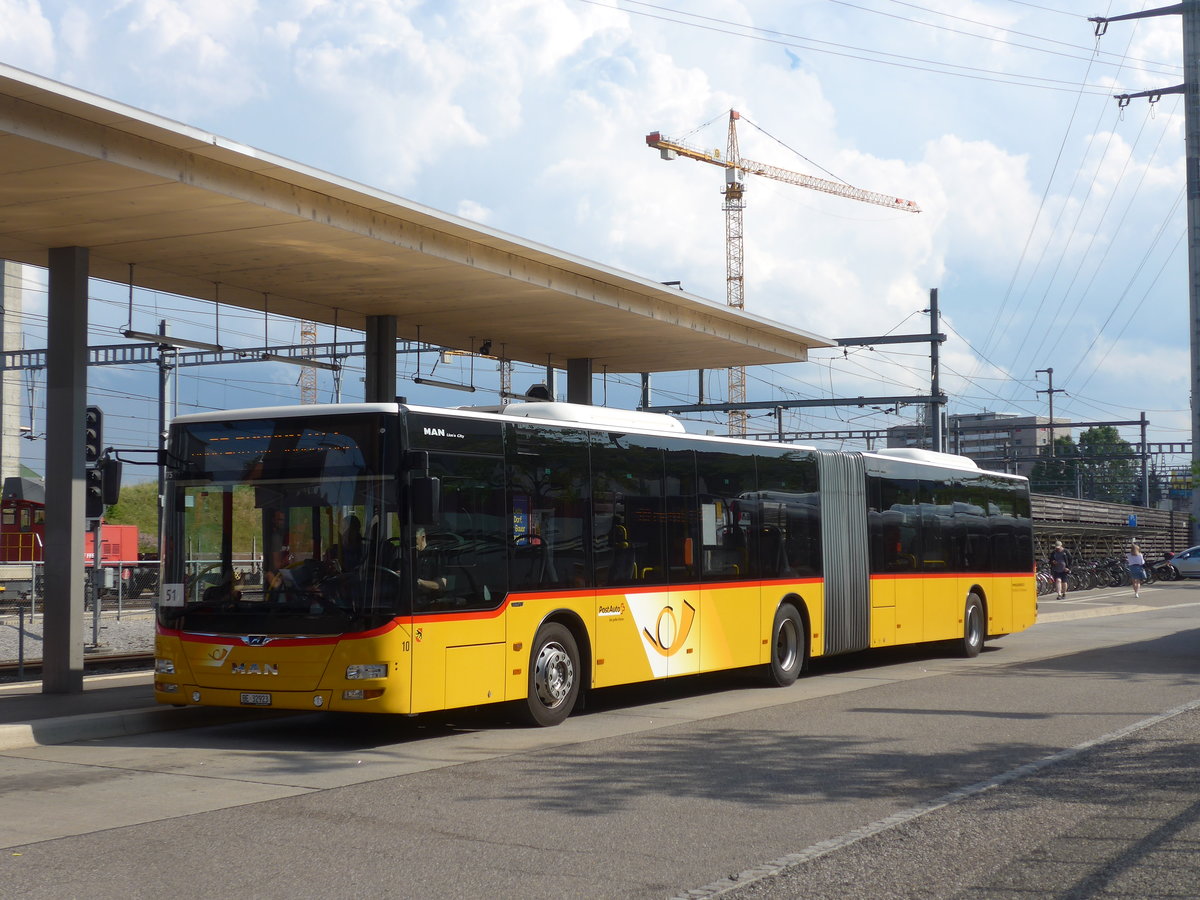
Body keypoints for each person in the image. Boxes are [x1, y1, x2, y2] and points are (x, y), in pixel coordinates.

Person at [414, 526, 446, 597]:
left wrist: (419, 582)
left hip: (429, 598)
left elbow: (440, 585)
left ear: (423, 537)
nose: (413, 542)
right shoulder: (414, 555)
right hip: (413, 595)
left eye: (415, 538)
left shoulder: (434, 555)